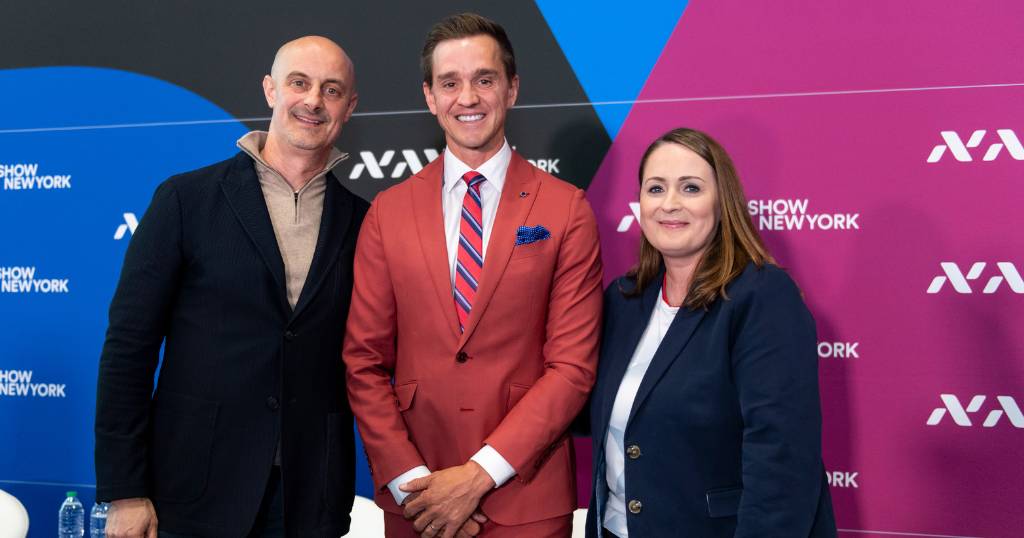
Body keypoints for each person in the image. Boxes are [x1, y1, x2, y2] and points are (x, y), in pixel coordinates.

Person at [343, 12, 603, 538]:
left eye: (484, 79)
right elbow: (364, 362)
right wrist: (415, 484)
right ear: (429, 96)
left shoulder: (566, 209)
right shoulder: (387, 212)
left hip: (525, 497)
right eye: (450, 83)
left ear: (511, 89)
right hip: (417, 500)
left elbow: (573, 367)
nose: (468, 97)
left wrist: (478, 476)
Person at [94, 36, 367, 538]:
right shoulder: (186, 200)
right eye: (298, 83)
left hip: (310, 498)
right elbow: (128, 350)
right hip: (193, 490)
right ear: (270, 90)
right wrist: (125, 491)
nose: (312, 101)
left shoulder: (364, 222)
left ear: (348, 107)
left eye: (331, 90)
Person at [586, 128, 837, 537]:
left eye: (690, 188)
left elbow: (783, 461)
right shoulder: (624, 299)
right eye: (655, 188)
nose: (670, 203)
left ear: (722, 202)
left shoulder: (762, 297)